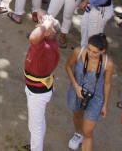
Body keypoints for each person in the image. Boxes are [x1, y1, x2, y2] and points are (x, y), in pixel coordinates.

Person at [64, 33, 114, 150]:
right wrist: (76, 86)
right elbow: (68, 66)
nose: (91, 54)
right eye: (89, 49)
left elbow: (107, 84)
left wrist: (105, 105)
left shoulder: (108, 64)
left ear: (103, 51)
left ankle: (83, 135)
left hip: (95, 97)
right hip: (76, 91)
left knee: (88, 132)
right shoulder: (78, 52)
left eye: (95, 52)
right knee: (77, 115)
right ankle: (78, 133)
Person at [24, 14, 61, 151]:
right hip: (40, 89)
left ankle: (36, 148)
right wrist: (45, 22)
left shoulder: (43, 46)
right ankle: (35, 145)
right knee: (37, 122)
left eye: (46, 25)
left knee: (35, 127)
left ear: (50, 31)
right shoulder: (48, 41)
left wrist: (45, 25)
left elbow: (33, 37)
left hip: (37, 92)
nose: (41, 25)